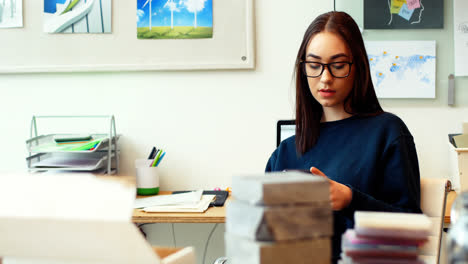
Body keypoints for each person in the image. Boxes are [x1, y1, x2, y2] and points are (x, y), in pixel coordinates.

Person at [265, 11, 422, 262]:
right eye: (314, 66)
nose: (325, 78)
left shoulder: (388, 133)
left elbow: (411, 229)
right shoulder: (284, 152)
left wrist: (350, 199)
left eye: (338, 65)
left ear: (357, 66)